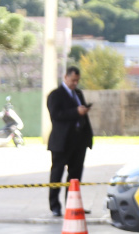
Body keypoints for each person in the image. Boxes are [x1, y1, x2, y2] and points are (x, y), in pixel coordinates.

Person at [47, 66, 93, 217]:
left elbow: (82, 115)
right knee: (57, 174)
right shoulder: (55, 95)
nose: (75, 83)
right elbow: (56, 115)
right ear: (65, 77)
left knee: (75, 176)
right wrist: (76, 112)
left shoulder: (78, 93)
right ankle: (55, 206)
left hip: (79, 142)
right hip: (62, 142)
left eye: (77, 81)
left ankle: (72, 205)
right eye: (73, 80)